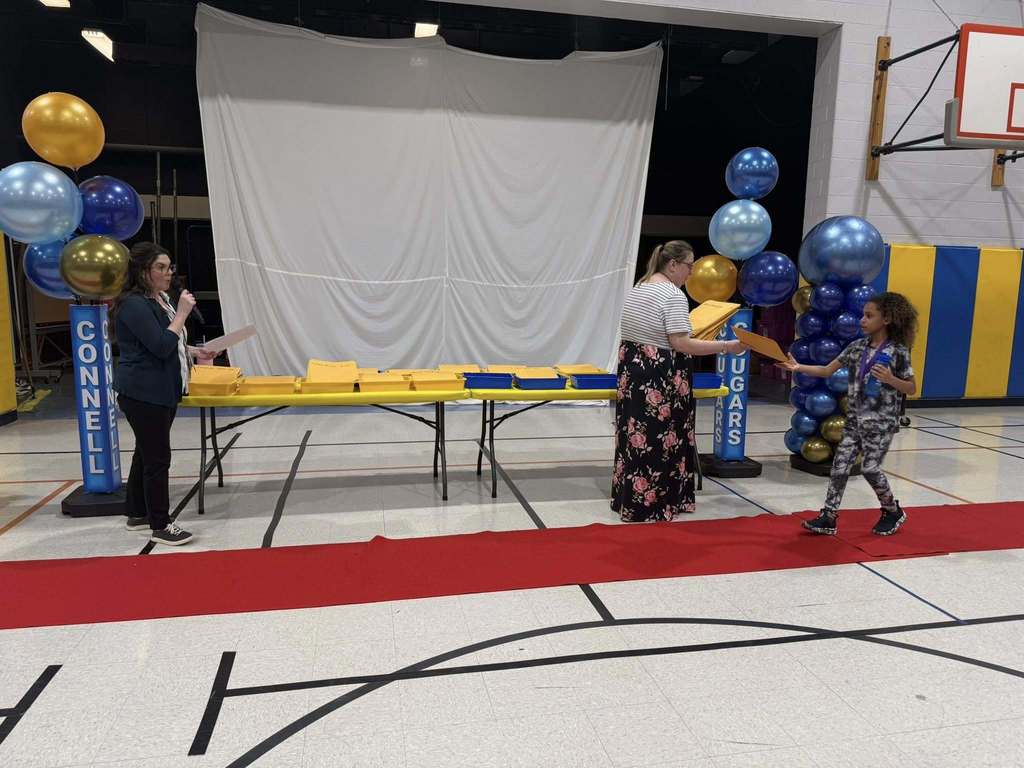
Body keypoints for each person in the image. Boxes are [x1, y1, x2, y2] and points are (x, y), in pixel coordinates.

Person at [612, 240, 747, 522]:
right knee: (661, 440)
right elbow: (681, 343)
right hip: (658, 378)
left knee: (633, 439)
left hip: (634, 373)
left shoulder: (641, 286)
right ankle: (653, 505)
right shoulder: (671, 295)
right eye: (689, 266)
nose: (692, 273)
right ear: (673, 265)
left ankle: (629, 501)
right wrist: (726, 346)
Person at [778, 291, 918, 536]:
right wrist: (797, 366)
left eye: (868, 316)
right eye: (862, 315)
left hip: (881, 421)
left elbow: (912, 387)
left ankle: (892, 509)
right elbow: (825, 370)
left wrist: (890, 379)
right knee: (840, 466)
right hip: (855, 419)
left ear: (886, 320)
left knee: (870, 468)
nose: (861, 320)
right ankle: (829, 516)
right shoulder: (857, 347)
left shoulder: (898, 352)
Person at [113, 242, 218, 546]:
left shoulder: (158, 300)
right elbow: (159, 346)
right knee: (158, 458)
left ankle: (136, 512)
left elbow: (167, 341)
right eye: (160, 267)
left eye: (169, 267)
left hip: (162, 388)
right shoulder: (134, 305)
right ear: (143, 271)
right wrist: (183, 312)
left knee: (145, 452)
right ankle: (160, 523)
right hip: (143, 392)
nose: (167, 273)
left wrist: (196, 350)